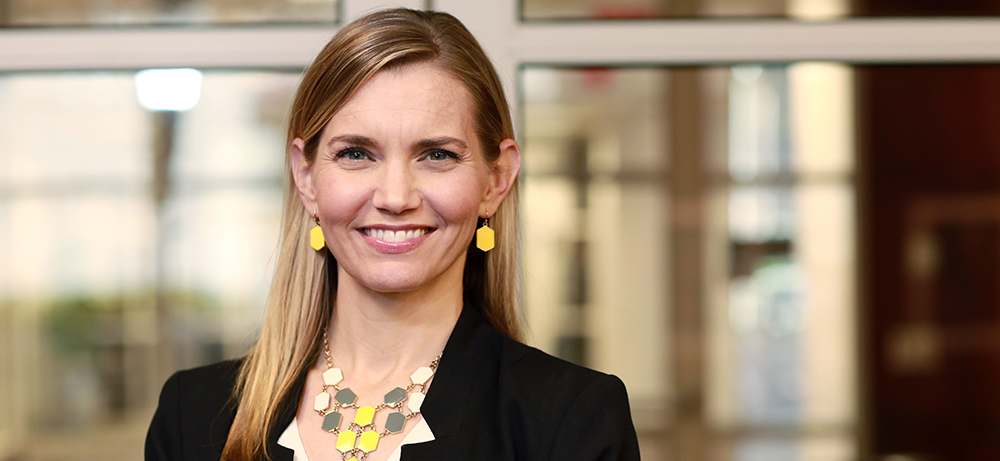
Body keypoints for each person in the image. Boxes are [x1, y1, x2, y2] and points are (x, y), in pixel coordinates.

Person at [145, 7, 640, 461]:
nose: (396, 196)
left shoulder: (568, 419)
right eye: (357, 154)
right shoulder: (194, 415)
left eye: (437, 154)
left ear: (496, 179)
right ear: (305, 177)